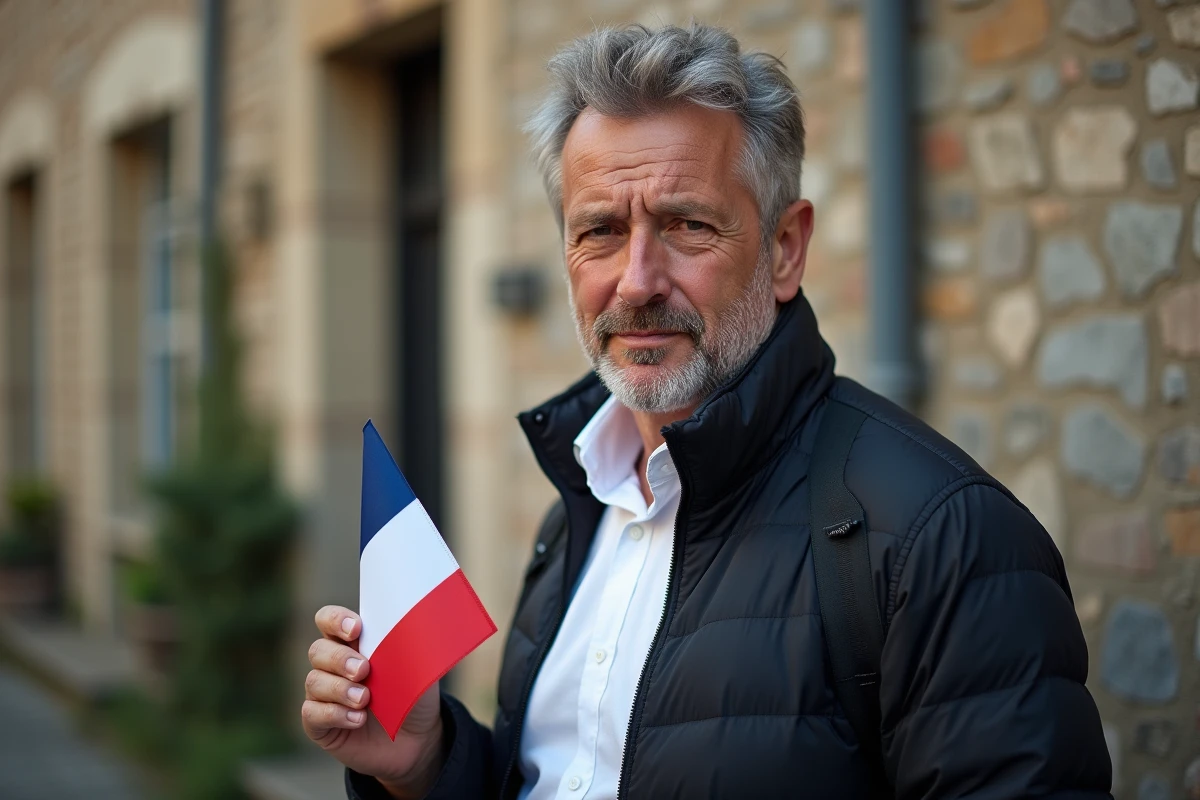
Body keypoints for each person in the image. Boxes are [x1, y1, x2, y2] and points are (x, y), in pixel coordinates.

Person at [303, 23, 1113, 800]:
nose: (636, 280)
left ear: (785, 249)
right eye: (600, 231)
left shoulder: (943, 538)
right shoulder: (582, 501)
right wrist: (425, 766)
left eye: (687, 225)